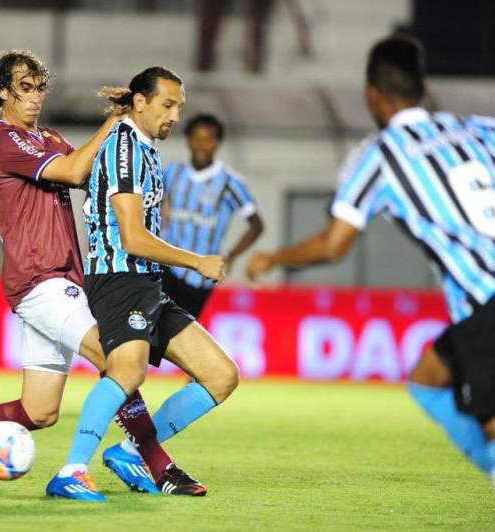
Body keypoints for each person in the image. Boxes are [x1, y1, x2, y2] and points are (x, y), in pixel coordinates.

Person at [0, 50, 185, 496]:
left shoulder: (46, 136)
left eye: (39, 89)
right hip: (40, 280)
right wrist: (114, 120)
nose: (34, 99)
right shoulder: (2, 140)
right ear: (4, 93)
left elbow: (92, 171)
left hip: (64, 280)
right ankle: (156, 465)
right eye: (24, 90)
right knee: (115, 358)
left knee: (40, 410)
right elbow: (71, 170)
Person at [246, 34, 495, 486]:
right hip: (480, 315)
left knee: (490, 425)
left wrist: (274, 257)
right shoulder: (480, 127)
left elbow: (333, 244)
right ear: (423, 89)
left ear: (372, 95)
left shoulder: (380, 154)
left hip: (487, 300)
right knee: (427, 379)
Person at [46, 66, 240, 502]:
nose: (174, 115)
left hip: (147, 283)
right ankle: (71, 470)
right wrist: (197, 262)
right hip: (117, 280)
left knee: (221, 376)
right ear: (140, 102)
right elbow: (131, 238)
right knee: (127, 371)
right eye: (167, 104)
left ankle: (132, 450)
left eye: (179, 107)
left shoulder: (147, 148)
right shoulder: (124, 149)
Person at [161, 113, 264, 318]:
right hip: (165, 265)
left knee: (177, 337)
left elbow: (256, 225)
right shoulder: (173, 172)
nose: (201, 145)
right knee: (150, 327)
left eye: (208, 139)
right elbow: (155, 204)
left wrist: (232, 256)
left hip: (198, 277)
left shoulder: (229, 182)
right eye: (196, 138)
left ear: (217, 143)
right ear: (188, 140)